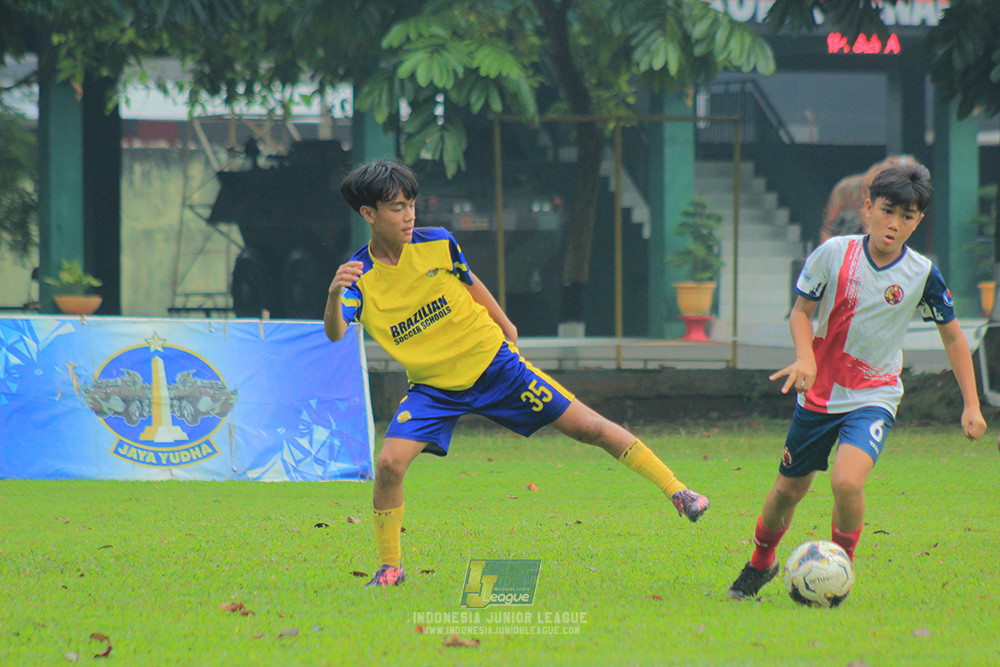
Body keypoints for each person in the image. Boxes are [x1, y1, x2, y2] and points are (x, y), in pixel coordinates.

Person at [325, 159, 710, 587]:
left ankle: (678, 490)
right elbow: (337, 332)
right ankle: (390, 568)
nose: (410, 214)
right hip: (434, 389)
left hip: (495, 366)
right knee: (389, 465)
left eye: (411, 203)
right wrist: (334, 293)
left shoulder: (438, 242)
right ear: (368, 214)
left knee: (587, 427)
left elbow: (469, 282)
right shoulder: (358, 279)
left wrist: (505, 324)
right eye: (397, 207)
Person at [727, 162, 988, 600]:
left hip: (875, 395)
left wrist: (972, 404)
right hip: (819, 395)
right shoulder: (833, 254)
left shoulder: (922, 274)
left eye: (907, 217)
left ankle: (838, 571)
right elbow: (800, 313)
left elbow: (954, 336)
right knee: (788, 490)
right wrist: (805, 358)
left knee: (847, 482)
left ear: (918, 221)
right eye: (888, 211)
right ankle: (760, 564)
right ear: (868, 208)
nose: (895, 224)